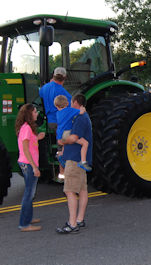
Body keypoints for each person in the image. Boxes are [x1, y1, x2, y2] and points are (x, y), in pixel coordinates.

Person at [56, 94, 92, 234]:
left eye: (71, 102)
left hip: (74, 159)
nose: (70, 104)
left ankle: (72, 224)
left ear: (75, 102)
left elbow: (73, 138)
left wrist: (61, 142)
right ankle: (79, 219)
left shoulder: (80, 118)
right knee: (82, 190)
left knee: (69, 191)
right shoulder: (82, 116)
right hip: (80, 160)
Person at [15, 104, 45, 232]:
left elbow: (28, 144)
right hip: (28, 164)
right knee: (29, 194)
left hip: (26, 163)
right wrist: (34, 167)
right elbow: (26, 150)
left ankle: (28, 218)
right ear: (29, 114)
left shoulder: (25, 128)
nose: (36, 113)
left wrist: (37, 137)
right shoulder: (27, 128)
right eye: (34, 111)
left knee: (30, 193)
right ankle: (24, 224)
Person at [54, 95, 91, 171]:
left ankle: (61, 156)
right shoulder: (69, 111)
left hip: (60, 134)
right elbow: (81, 112)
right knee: (85, 143)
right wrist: (83, 110)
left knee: (64, 145)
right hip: (67, 133)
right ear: (67, 103)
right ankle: (83, 161)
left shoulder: (58, 114)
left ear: (56, 106)